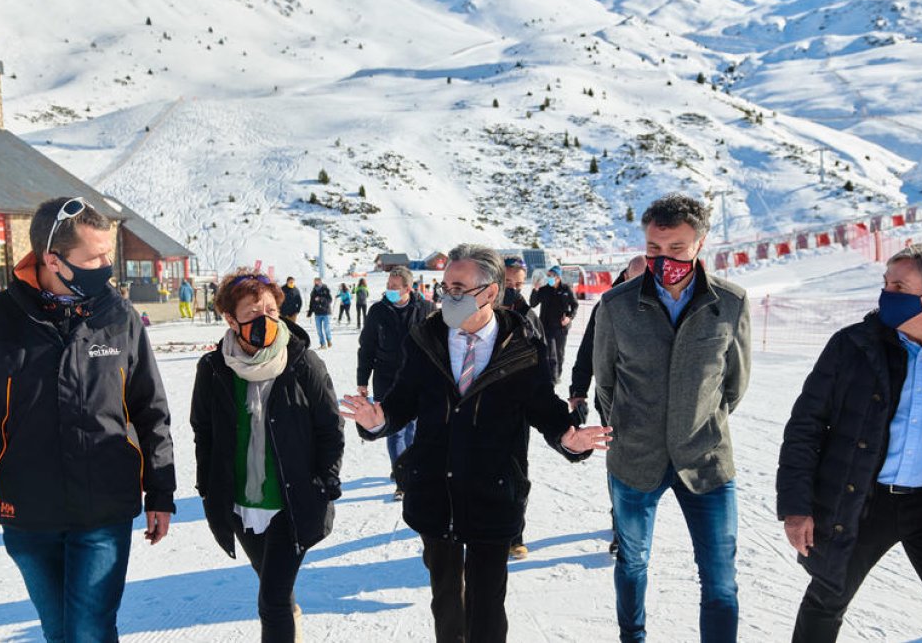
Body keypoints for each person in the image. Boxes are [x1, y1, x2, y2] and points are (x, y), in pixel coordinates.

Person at [0, 197, 177, 643]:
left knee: (89, 630)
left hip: (104, 507)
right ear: (54, 260)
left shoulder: (118, 315)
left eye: (107, 253)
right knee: (59, 632)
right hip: (28, 514)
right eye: (94, 257)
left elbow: (151, 410)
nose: (107, 265)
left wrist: (161, 491)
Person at [341, 243, 612, 643]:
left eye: (457, 287)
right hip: (435, 488)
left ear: (489, 291)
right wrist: (378, 419)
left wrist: (567, 437)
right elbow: (402, 401)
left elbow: (543, 405)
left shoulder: (522, 344)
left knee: (486, 605)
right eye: (445, 285)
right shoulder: (425, 338)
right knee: (447, 600)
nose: (445, 294)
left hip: (494, 489)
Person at [777, 242, 922, 642]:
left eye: (899, 287)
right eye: (885, 283)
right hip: (862, 500)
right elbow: (805, 427)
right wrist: (796, 507)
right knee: (826, 600)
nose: (886, 294)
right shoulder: (852, 345)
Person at [592, 195, 750, 643]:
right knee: (633, 563)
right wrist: (630, 429)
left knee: (720, 580)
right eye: (654, 250)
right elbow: (606, 382)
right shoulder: (617, 305)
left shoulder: (731, 303)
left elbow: (734, 384)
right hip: (635, 461)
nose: (664, 260)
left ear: (700, 244)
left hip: (705, 461)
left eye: (676, 249)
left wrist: (693, 421)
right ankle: (633, 637)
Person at [191, 270, 345, 643]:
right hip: (241, 505)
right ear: (231, 319)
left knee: (270, 600)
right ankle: (291, 621)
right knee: (273, 586)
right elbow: (204, 433)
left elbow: (330, 428)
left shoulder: (303, 363)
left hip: (291, 504)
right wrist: (208, 487)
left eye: (272, 310)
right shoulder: (213, 369)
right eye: (253, 312)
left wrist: (324, 483)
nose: (266, 320)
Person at [569, 255, 646, 556]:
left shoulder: (663, 305)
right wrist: (578, 391)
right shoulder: (607, 305)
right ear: (624, 276)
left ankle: (635, 520)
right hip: (612, 400)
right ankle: (622, 527)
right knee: (620, 463)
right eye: (635, 278)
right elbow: (588, 348)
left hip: (651, 403)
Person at [356, 266, 435, 500]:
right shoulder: (378, 311)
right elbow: (367, 348)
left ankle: (410, 466)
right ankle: (402, 478)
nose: (389, 290)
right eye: (388, 285)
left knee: (413, 428)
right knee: (393, 430)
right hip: (386, 379)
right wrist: (362, 380)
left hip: (417, 378)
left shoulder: (426, 309)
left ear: (408, 289)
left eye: (394, 287)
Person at [497, 256, 544, 561]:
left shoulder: (529, 317)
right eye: (508, 284)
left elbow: (542, 361)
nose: (514, 290)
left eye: (518, 284)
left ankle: (515, 535)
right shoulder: (477, 311)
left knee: (516, 473)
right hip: (478, 406)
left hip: (516, 409)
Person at [530, 265, 578, 384]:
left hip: (561, 327)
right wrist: (535, 290)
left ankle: (557, 375)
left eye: (551, 276)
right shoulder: (544, 289)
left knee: (560, 353)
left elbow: (575, 305)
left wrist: (569, 317)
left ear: (558, 277)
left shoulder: (566, 289)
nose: (549, 278)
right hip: (546, 327)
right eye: (548, 275)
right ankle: (552, 378)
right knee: (551, 353)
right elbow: (533, 303)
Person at [307, 278, 333, 350]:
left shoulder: (325, 290)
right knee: (319, 330)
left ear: (320, 282)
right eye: (315, 282)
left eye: (317, 282)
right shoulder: (313, 292)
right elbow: (311, 303)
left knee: (326, 328)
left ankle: (329, 339)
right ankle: (323, 344)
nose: (316, 283)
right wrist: (310, 312)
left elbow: (330, 300)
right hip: (317, 313)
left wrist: (321, 299)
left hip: (326, 312)